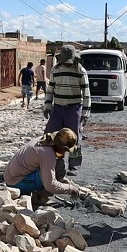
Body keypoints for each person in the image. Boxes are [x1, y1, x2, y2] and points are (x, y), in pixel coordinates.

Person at [43, 45, 91, 177]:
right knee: (49, 135)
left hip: (74, 108)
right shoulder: (55, 70)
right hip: (58, 108)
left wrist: (85, 113)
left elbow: (86, 94)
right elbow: (50, 89)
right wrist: (47, 105)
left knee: (74, 138)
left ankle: (74, 165)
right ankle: (54, 162)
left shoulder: (81, 71)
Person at [4, 128, 80, 204]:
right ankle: (39, 197)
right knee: (57, 168)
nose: (65, 152)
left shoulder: (46, 140)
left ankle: (40, 191)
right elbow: (51, 186)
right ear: (61, 146)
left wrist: (63, 181)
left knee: (59, 163)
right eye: (65, 150)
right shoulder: (47, 154)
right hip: (16, 183)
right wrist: (70, 189)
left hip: (11, 176)